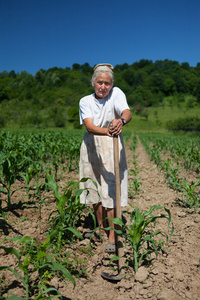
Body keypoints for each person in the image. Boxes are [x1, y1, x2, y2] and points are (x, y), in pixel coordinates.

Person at [79, 63, 132, 253]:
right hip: (92, 145)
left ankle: (112, 235)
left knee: (111, 189)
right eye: (100, 82)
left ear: (111, 84)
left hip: (112, 146)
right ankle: (101, 228)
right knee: (93, 187)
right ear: (93, 83)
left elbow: (126, 111)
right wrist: (108, 130)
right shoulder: (85, 101)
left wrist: (121, 120)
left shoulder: (116, 93)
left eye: (107, 83)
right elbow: (90, 126)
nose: (103, 87)